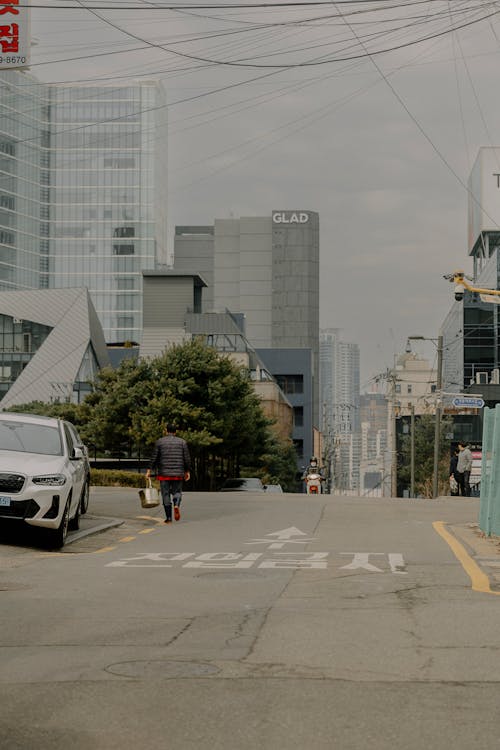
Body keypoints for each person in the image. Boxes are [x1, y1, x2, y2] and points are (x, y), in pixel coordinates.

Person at [146, 423, 191, 524]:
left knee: (165, 494)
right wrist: (187, 471)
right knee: (177, 492)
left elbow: (154, 457)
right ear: (176, 431)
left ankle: (169, 518)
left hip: (164, 473)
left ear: (166, 431)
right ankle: (176, 505)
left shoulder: (160, 442)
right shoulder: (182, 442)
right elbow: (187, 458)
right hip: (178, 473)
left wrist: (149, 470)